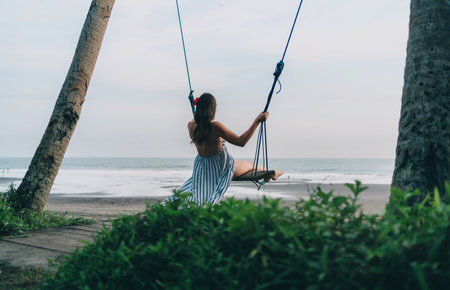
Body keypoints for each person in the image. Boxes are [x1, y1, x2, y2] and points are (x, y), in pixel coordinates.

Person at [175, 92, 283, 205]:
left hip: (202, 170)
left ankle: (269, 174)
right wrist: (257, 121)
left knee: (248, 166)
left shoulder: (191, 126)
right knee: (251, 165)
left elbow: (199, 123)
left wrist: (193, 106)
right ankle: (272, 173)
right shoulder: (215, 127)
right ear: (212, 110)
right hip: (221, 169)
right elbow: (241, 141)